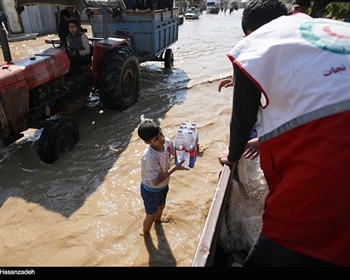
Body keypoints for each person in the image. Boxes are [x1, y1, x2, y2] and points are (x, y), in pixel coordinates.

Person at [218, 0, 350, 267]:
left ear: (251, 32)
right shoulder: (329, 28)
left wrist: (232, 157)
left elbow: (240, 124)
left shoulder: (253, 46)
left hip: (329, 159)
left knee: (286, 240)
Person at [137, 119, 188, 235]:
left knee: (161, 208)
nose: (162, 139)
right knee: (150, 216)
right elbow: (155, 181)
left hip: (163, 186)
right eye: (156, 138)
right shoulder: (149, 158)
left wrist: (190, 150)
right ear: (147, 142)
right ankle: (145, 233)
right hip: (151, 190)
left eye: (161, 134)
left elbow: (175, 152)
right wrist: (175, 168)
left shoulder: (167, 143)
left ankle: (158, 223)